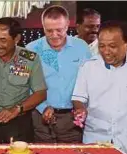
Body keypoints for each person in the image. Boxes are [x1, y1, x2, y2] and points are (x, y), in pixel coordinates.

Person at [72, 20, 127, 154]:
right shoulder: (88, 67)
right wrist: (80, 110)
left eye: (112, 46)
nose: (106, 52)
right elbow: (78, 99)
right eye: (101, 46)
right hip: (95, 141)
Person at [0, 17, 47, 143]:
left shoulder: (30, 59)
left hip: (19, 123)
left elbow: (41, 93)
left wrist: (17, 109)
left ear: (16, 39)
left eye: (3, 40)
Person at [26, 5, 91, 143]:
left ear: (68, 25)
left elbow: (89, 81)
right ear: (43, 27)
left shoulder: (81, 47)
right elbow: (26, 85)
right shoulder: (31, 49)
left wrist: (82, 108)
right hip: (40, 116)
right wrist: (43, 107)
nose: (54, 35)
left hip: (72, 118)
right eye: (49, 30)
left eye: (59, 30)